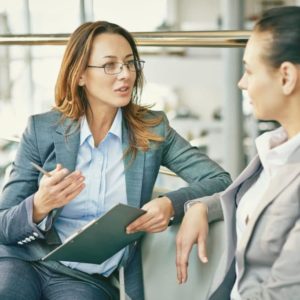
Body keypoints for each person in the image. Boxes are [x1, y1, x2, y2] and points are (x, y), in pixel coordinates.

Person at [0, 21, 231, 300]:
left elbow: (219, 180)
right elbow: (4, 226)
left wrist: (172, 204)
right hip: (24, 261)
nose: (125, 74)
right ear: (80, 75)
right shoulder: (42, 129)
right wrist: (39, 206)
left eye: (130, 63)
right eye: (110, 65)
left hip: (85, 277)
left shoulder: (153, 130)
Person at [176, 6, 300, 300]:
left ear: (286, 77)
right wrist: (203, 206)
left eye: (249, 70)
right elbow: (263, 201)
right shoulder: (275, 148)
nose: (241, 83)